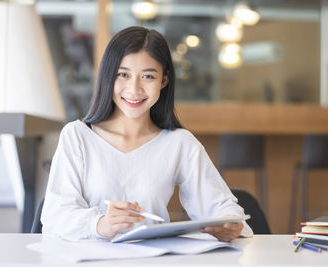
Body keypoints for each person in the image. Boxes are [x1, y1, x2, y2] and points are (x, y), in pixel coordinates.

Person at [41, 26, 253, 242]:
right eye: (123, 74)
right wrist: (100, 224)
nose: (134, 89)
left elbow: (221, 207)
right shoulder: (77, 136)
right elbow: (54, 216)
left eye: (148, 76)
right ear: (108, 77)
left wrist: (230, 223)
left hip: (154, 258)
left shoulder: (179, 143)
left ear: (164, 80)